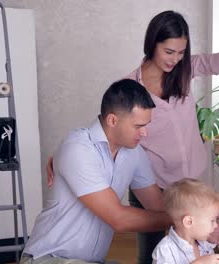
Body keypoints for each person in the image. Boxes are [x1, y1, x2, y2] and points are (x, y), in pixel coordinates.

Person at [47, 10, 219, 263]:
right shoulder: (131, 88)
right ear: (152, 44)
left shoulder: (184, 71)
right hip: (154, 182)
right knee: (155, 253)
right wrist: (64, 155)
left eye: (181, 53)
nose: (175, 59)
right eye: (169, 52)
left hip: (188, 180)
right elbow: (111, 124)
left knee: (194, 249)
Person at [21, 79, 173, 264]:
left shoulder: (135, 153)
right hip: (47, 258)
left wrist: (197, 222)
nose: (144, 133)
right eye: (138, 126)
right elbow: (119, 219)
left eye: (146, 125)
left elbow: (158, 207)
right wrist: (181, 220)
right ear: (112, 120)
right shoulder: (78, 148)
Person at [152, 178, 219, 264]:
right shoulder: (165, 251)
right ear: (189, 222)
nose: (216, 225)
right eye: (212, 220)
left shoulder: (204, 243)